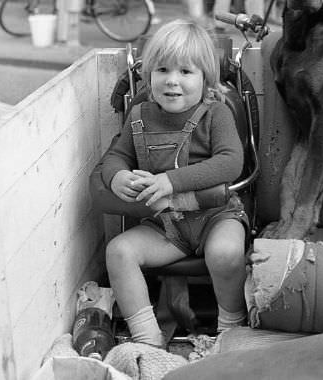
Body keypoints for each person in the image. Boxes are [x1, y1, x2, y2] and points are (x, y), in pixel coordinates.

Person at [102, 19, 248, 346]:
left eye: (186, 72)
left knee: (225, 254)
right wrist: (118, 176)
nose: (172, 81)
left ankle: (231, 325)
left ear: (206, 79)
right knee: (118, 251)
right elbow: (116, 156)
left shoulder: (216, 114)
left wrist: (170, 180)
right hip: (166, 227)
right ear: (148, 74)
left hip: (216, 216)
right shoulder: (140, 114)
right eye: (163, 70)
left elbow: (230, 162)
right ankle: (147, 339)